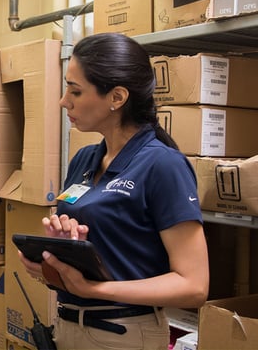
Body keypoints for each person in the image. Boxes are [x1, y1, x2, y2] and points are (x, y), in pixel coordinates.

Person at [18, 32, 209, 350]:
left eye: (75, 91)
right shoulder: (84, 159)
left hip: (123, 334)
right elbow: (107, 253)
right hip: (68, 326)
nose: (64, 101)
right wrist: (55, 260)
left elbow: (194, 286)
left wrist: (93, 290)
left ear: (117, 98)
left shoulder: (163, 166)